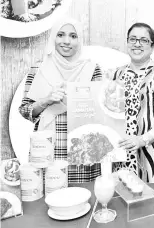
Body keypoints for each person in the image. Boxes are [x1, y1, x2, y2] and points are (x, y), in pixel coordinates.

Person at [19, 17, 103, 183]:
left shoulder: (92, 68)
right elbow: (25, 110)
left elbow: (101, 112)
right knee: (50, 198)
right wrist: (46, 100)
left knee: (84, 199)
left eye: (73, 36)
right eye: (61, 35)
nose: (66, 41)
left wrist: (79, 100)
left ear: (80, 40)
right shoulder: (39, 67)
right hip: (47, 148)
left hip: (83, 148)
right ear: (53, 38)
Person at [113, 23, 154, 183]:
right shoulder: (117, 73)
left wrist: (142, 140)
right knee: (124, 198)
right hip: (122, 152)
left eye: (144, 40)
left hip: (152, 153)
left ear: (152, 46)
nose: (137, 44)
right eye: (133, 39)